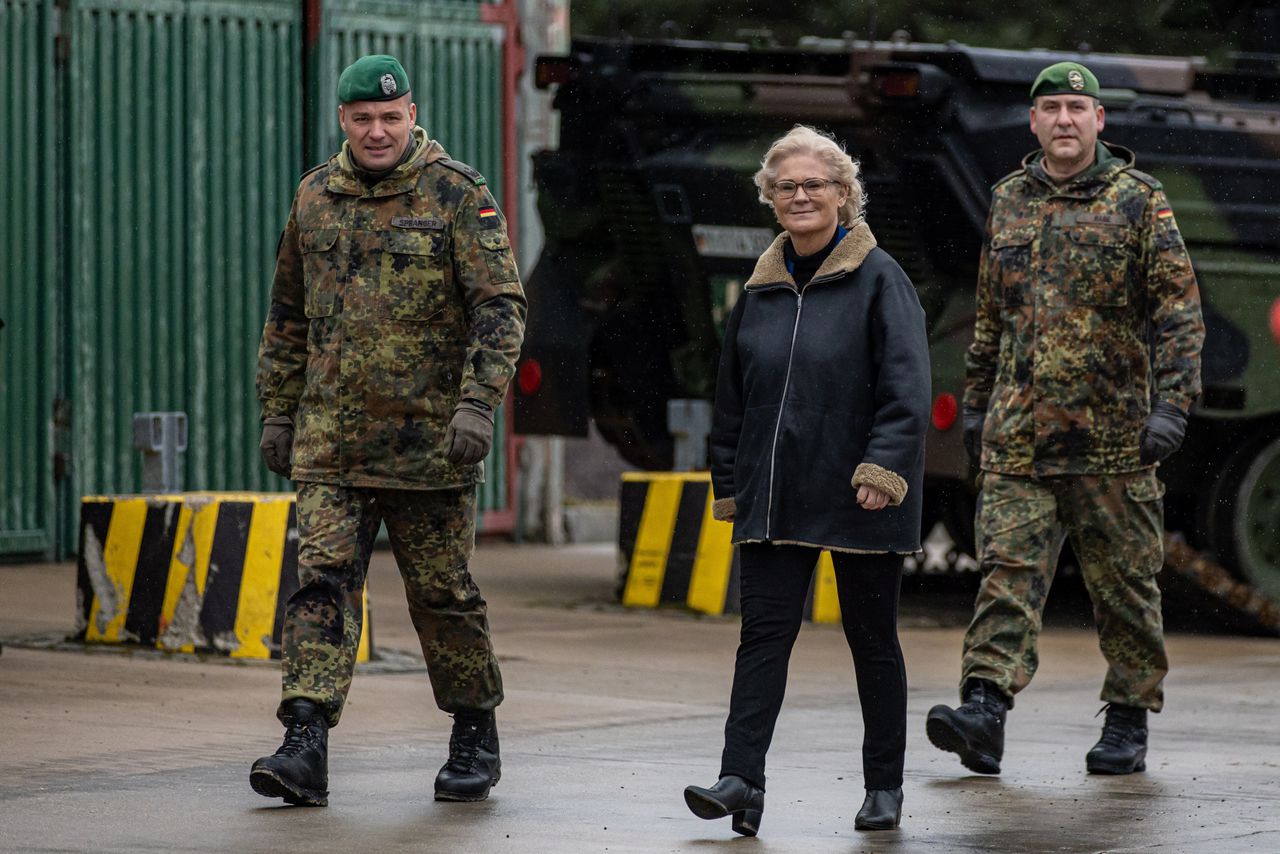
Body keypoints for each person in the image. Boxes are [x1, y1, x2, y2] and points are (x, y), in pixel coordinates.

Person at [250, 54, 525, 807]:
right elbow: (287, 318)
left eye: (390, 117)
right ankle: (303, 740)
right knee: (321, 588)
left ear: (411, 115)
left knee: (443, 595)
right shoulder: (314, 196)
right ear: (344, 120)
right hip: (331, 442)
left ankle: (474, 733)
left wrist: (477, 404)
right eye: (363, 119)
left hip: (429, 444)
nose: (377, 131)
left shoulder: (456, 195)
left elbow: (501, 308)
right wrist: (278, 410)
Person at [926, 61, 1204, 777]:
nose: (1064, 120)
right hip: (1022, 436)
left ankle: (1128, 719)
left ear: (1100, 120)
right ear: (1033, 122)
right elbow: (991, 319)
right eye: (1050, 108)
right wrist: (979, 405)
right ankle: (983, 710)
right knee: (1006, 574)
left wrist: (1172, 406)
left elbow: (1178, 316)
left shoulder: (1140, 201)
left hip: (1114, 438)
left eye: (1077, 107)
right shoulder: (1008, 201)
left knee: (1125, 585)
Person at [683, 125, 931, 835]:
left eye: (813, 184)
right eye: (785, 186)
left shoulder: (882, 279)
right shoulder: (758, 291)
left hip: (859, 490)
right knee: (762, 636)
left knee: (872, 639)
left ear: (843, 195)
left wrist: (884, 469)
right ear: (769, 197)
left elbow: (907, 389)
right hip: (776, 493)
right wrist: (729, 480)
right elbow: (731, 396)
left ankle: (884, 786)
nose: (799, 195)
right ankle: (741, 780)